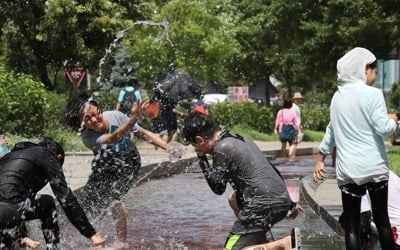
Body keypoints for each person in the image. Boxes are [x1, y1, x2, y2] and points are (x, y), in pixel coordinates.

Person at [313, 47, 398, 250]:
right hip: (374, 168)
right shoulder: (373, 95)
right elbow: (382, 128)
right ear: (365, 69)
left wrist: (320, 159)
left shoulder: (337, 97)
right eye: (374, 72)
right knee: (382, 221)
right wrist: (394, 121)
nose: (375, 77)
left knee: (351, 226)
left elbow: (331, 132)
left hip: (349, 171)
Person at [64, 94, 174, 248]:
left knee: (113, 198)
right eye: (87, 118)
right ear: (80, 122)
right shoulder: (87, 137)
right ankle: (92, 236)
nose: (95, 120)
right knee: (88, 202)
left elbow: (142, 133)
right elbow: (115, 137)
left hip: (129, 162)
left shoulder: (116, 116)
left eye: (96, 114)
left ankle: (121, 241)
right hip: (104, 165)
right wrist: (133, 118)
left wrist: (168, 147)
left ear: (100, 110)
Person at [182, 112, 303, 250]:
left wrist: (201, 158)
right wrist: (289, 202)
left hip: (261, 205)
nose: (196, 149)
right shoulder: (238, 138)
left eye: (195, 145)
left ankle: (282, 245)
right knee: (233, 199)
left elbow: (218, 188)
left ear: (200, 140)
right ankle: (263, 241)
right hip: (279, 200)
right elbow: (270, 169)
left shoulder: (221, 148)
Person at [0, 137, 105, 249]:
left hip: (5, 211)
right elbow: (65, 198)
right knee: (47, 203)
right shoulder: (46, 155)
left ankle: (20, 239)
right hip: (7, 209)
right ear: (58, 158)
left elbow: (12, 198)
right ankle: (53, 248)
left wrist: (22, 236)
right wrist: (91, 234)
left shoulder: (10, 157)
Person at [290, 92, 304, 161]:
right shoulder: (294, 107)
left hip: (293, 126)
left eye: (300, 99)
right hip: (295, 127)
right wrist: (298, 127)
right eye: (298, 99)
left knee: (293, 142)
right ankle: (292, 156)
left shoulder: (294, 107)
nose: (299, 100)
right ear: (294, 99)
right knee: (295, 142)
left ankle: (291, 155)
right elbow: (295, 118)